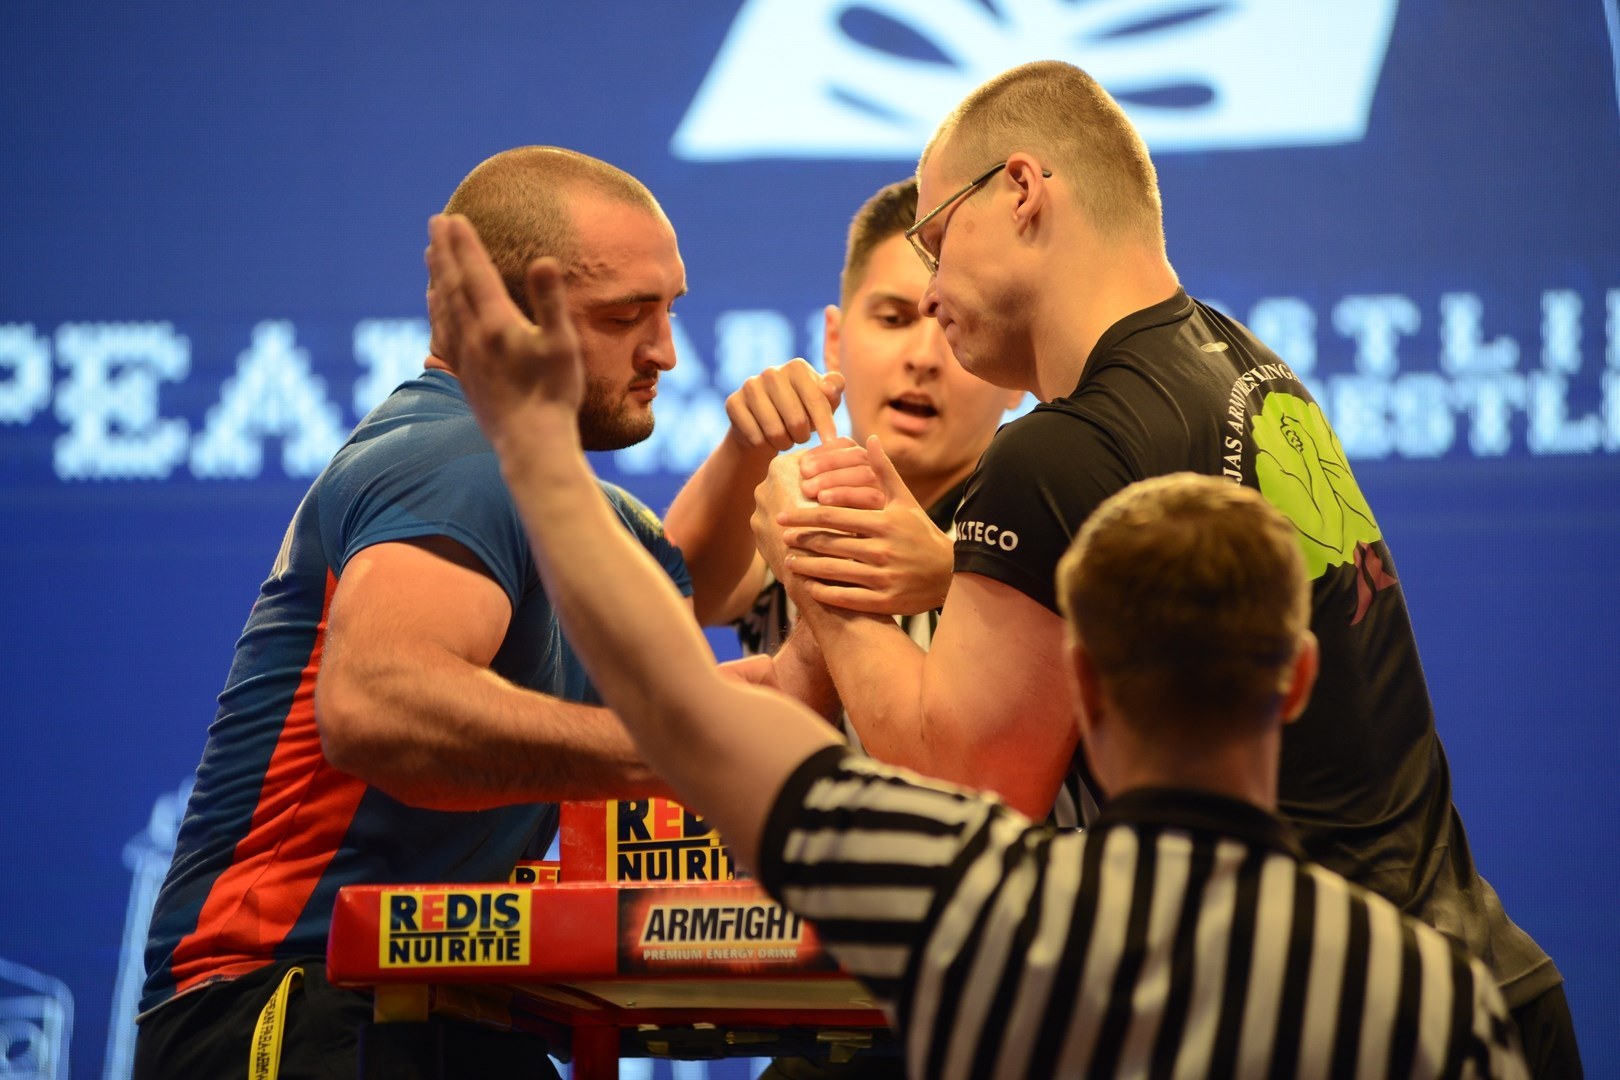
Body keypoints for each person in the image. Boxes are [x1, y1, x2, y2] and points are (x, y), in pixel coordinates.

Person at [422, 209, 1530, 1077]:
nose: (920, 357)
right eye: (887, 316)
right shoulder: (1429, 990)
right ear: (1296, 681)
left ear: (1078, 680)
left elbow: (676, 702)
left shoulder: (977, 898)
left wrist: (536, 451)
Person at [747, 61, 1578, 1075]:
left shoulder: (1059, 448)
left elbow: (958, 792)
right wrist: (941, 566)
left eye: (934, 236)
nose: (928, 286)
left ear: (1021, 191)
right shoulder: (1240, 361)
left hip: (1327, 1025)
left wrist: (818, 567)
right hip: (1475, 992)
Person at [133, 146, 829, 1080]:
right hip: (289, 1001)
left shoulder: (554, 497)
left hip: (428, 1002)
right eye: (626, 315)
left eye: (671, 309)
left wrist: (770, 486)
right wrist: (681, 748)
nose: (665, 350)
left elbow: (681, 614)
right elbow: (379, 704)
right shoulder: (455, 457)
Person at [664, 177, 1022, 665]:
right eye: (893, 319)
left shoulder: (1050, 526)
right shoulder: (793, 505)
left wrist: (950, 579)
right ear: (834, 339)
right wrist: (743, 449)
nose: (923, 357)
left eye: (957, 324)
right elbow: (677, 600)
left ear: (1015, 370)